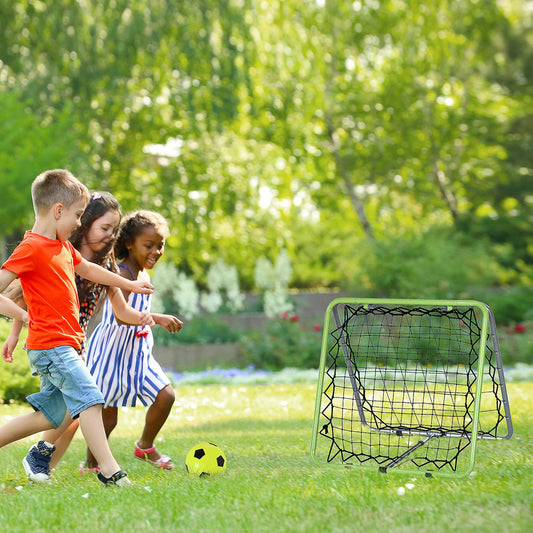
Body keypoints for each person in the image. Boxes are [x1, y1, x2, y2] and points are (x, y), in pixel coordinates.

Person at [0, 169, 154, 487]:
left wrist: (130, 285)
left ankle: (37, 456)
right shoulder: (31, 249)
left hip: (65, 345)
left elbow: (90, 270)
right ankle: (111, 472)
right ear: (58, 211)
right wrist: (22, 317)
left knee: (50, 417)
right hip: (51, 346)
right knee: (90, 398)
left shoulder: (62, 248)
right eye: (78, 214)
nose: (79, 223)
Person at [84, 210, 182, 472]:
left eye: (160, 245)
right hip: (111, 351)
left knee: (165, 396)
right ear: (129, 243)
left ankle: (145, 446)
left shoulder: (143, 276)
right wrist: (157, 318)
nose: (156, 251)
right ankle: (91, 464)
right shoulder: (123, 274)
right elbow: (120, 317)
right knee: (108, 418)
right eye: (148, 245)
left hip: (137, 353)